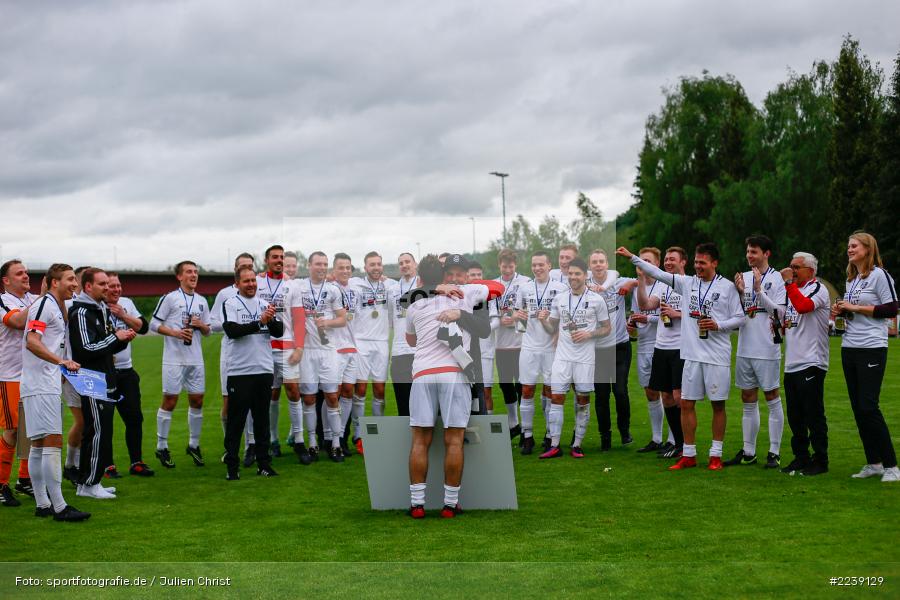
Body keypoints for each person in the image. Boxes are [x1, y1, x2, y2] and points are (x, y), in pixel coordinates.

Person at [618, 243, 745, 471]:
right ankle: (689, 453)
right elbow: (657, 273)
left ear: (714, 263)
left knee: (718, 405)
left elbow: (739, 318)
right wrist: (632, 258)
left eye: (702, 263)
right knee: (686, 403)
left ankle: (715, 455)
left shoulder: (726, 287)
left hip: (716, 356)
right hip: (691, 355)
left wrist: (718, 325)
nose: (698, 267)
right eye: (696, 262)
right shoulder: (687, 283)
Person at [405, 255, 498, 518]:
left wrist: (433, 292)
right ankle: (449, 505)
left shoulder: (414, 301)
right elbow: (498, 288)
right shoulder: (467, 293)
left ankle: (417, 505)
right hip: (453, 374)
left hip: (422, 373)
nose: (455, 278)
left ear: (421, 278)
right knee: (454, 440)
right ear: (444, 274)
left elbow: (410, 340)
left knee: (420, 441)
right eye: (451, 274)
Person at [21, 264, 90, 521]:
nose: (75, 283)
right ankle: (60, 507)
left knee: (38, 445)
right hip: (40, 385)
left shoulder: (55, 307)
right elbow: (32, 341)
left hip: (41, 384)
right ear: (53, 282)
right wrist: (60, 362)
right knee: (51, 444)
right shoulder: (44, 305)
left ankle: (42, 504)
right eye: (71, 279)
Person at [756, 253, 831, 476]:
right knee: (796, 416)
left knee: (813, 414)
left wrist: (788, 283)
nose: (792, 271)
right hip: (792, 363)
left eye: (796, 267)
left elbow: (804, 306)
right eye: (790, 267)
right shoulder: (793, 291)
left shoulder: (818, 288)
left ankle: (820, 459)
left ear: (811, 270)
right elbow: (787, 314)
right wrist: (777, 323)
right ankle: (801, 456)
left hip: (812, 361)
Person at [833, 232, 899, 482]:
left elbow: (892, 308)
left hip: (872, 346)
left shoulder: (879, 275)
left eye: (854, 246)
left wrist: (855, 308)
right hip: (850, 346)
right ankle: (874, 463)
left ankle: (892, 466)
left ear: (868, 248)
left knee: (869, 406)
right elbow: (854, 314)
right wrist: (841, 310)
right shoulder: (852, 279)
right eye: (848, 246)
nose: (849, 250)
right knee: (858, 408)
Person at [69, 268, 136, 499]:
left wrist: (121, 339)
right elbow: (85, 349)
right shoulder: (80, 312)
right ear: (88, 287)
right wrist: (114, 338)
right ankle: (89, 484)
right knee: (97, 432)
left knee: (100, 431)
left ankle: (89, 482)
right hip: (91, 379)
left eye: (108, 284)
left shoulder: (100, 309)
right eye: (102, 284)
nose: (107, 288)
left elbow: (104, 346)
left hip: (104, 377)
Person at [725, 235, 786, 469]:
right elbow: (739, 313)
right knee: (747, 398)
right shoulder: (743, 277)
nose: (750, 255)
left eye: (754, 252)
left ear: (766, 254)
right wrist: (740, 293)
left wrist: (760, 292)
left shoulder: (777, 278)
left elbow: (780, 312)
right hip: (745, 346)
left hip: (767, 346)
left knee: (771, 396)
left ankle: (774, 452)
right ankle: (748, 451)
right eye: (748, 251)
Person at [539, 258, 610, 459]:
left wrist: (589, 334)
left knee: (582, 400)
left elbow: (607, 328)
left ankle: (577, 445)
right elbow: (552, 327)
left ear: (585, 275)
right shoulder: (560, 298)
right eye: (570, 273)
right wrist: (544, 321)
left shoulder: (597, 300)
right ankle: (554, 445)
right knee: (556, 399)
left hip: (585, 358)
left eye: (577, 273)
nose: (573, 277)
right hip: (562, 357)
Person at [221, 265, 284, 480]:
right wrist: (260, 322)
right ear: (237, 283)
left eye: (253, 281)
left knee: (261, 420)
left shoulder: (264, 304)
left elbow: (279, 331)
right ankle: (232, 466)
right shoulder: (230, 303)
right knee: (236, 421)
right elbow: (232, 331)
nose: (251, 285)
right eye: (246, 281)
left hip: (263, 369)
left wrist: (271, 319)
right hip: (240, 371)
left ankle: (264, 464)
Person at [149, 261, 211, 468]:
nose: (193, 275)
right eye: (189, 272)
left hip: (195, 358)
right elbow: (153, 324)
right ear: (179, 276)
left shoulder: (202, 301)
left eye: (195, 272)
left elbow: (208, 330)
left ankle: (193, 445)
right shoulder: (170, 298)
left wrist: (202, 325)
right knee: (170, 400)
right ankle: (162, 446)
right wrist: (175, 332)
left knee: (198, 400)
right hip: (174, 359)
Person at [294, 251, 347, 462]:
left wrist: (328, 323)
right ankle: (313, 443)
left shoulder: (333, 289)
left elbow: (343, 319)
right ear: (309, 265)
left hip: (328, 351)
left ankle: (335, 444)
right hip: (307, 351)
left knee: (332, 397)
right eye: (318, 264)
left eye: (325, 264)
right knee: (308, 398)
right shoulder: (298, 287)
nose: (322, 267)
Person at [636, 247, 688, 459]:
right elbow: (645, 305)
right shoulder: (662, 286)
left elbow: (699, 314)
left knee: (678, 397)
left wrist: (677, 313)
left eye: (672, 259)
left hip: (681, 348)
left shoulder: (690, 283)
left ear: (683, 262)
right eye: (666, 259)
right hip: (661, 347)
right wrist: (640, 280)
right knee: (666, 396)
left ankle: (683, 443)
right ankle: (676, 443)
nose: (668, 262)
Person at [514, 251, 567, 454]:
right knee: (527, 390)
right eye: (534, 265)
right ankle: (527, 436)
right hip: (529, 346)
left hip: (551, 348)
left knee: (550, 392)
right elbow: (518, 317)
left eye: (541, 265)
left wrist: (558, 336)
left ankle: (549, 435)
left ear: (549, 265)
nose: (537, 268)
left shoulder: (560, 288)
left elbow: (565, 317)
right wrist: (517, 315)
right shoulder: (524, 288)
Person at [257, 245, 304, 460]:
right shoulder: (257, 283)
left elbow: (299, 318)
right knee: (270, 395)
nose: (279, 260)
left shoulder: (292, 285)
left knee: (293, 392)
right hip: (264, 347)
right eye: (275, 257)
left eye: (281, 257)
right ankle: (273, 440)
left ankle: (300, 441)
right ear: (267, 260)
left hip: (286, 346)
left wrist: (300, 346)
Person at [210, 253, 256, 466]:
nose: (247, 269)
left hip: (255, 353)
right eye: (242, 266)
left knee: (253, 401)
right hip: (231, 354)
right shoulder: (224, 294)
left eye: (250, 266)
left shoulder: (257, 290)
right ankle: (231, 448)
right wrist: (232, 325)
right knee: (229, 403)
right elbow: (213, 323)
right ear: (236, 271)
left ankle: (251, 446)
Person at [106, 272, 154, 477]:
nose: (116, 289)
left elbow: (143, 327)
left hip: (126, 372)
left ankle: (136, 462)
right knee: (105, 420)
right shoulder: (96, 307)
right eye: (111, 286)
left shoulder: (126, 302)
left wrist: (123, 315)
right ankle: (107, 465)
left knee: (134, 418)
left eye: (118, 285)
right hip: (105, 373)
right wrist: (122, 339)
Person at [0, 260, 38, 506]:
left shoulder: (31, 299)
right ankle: (1, 483)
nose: (25, 276)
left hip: (32, 374)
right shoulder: (3, 301)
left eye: (25, 272)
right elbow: (16, 322)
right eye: (19, 273)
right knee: (12, 431)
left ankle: (24, 479)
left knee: (30, 430)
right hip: (9, 375)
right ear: (6, 280)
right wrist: (43, 301)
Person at [629, 248, 672, 454]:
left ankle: (673, 439)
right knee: (650, 392)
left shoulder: (665, 285)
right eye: (641, 260)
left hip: (662, 344)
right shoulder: (637, 287)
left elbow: (667, 316)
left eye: (647, 260)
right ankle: (656, 438)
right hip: (644, 345)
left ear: (656, 264)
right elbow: (637, 317)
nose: (642, 264)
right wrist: (632, 324)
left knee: (668, 392)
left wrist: (647, 319)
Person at [588, 249, 632, 449]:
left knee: (621, 391)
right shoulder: (585, 286)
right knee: (602, 395)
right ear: (590, 266)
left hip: (621, 346)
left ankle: (625, 432)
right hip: (598, 350)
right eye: (594, 262)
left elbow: (640, 280)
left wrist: (631, 284)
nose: (598, 265)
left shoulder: (617, 281)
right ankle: (605, 437)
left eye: (601, 261)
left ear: (607, 264)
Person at [350, 252, 396, 418]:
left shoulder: (390, 285)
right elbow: (335, 280)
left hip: (382, 342)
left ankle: (379, 430)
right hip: (361, 342)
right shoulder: (355, 284)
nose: (376, 267)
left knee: (380, 389)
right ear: (365, 267)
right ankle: (358, 434)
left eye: (378, 264)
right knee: (360, 389)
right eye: (372, 264)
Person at [493, 249, 531, 442]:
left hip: (520, 343)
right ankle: (513, 423)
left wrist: (516, 321)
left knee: (522, 385)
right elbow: (490, 313)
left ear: (515, 265)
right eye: (504, 266)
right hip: (500, 344)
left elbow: (528, 309)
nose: (507, 269)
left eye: (510, 266)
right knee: (505, 384)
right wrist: (502, 320)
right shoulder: (494, 285)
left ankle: (525, 428)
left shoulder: (525, 282)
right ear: (499, 265)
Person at [331, 253, 361, 455]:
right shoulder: (329, 290)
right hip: (333, 348)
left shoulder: (356, 290)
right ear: (334, 270)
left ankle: (341, 436)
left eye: (348, 268)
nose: (345, 271)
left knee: (349, 391)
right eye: (341, 268)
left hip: (352, 347)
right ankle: (331, 437)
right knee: (333, 393)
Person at [62, 266, 90, 484]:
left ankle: (79, 466)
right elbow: (59, 337)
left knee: (89, 422)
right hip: (71, 370)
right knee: (81, 421)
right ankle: (71, 465)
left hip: (90, 371)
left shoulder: (92, 306)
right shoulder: (70, 305)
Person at [467, 262, 498, 416]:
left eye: (479, 274)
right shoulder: (463, 295)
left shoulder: (488, 296)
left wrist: (478, 328)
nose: (477, 278)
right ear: (467, 276)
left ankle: (487, 424)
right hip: (467, 351)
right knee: (469, 392)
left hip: (485, 350)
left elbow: (495, 322)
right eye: (473, 275)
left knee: (485, 391)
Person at [390, 252, 418, 417]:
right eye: (401, 263)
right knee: (403, 401)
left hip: (419, 352)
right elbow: (391, 321)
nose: (405, 265)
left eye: (408, 261)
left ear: (415, 264)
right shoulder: (392, 289)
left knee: (422, 401)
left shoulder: (423, 286)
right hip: (399, 352)